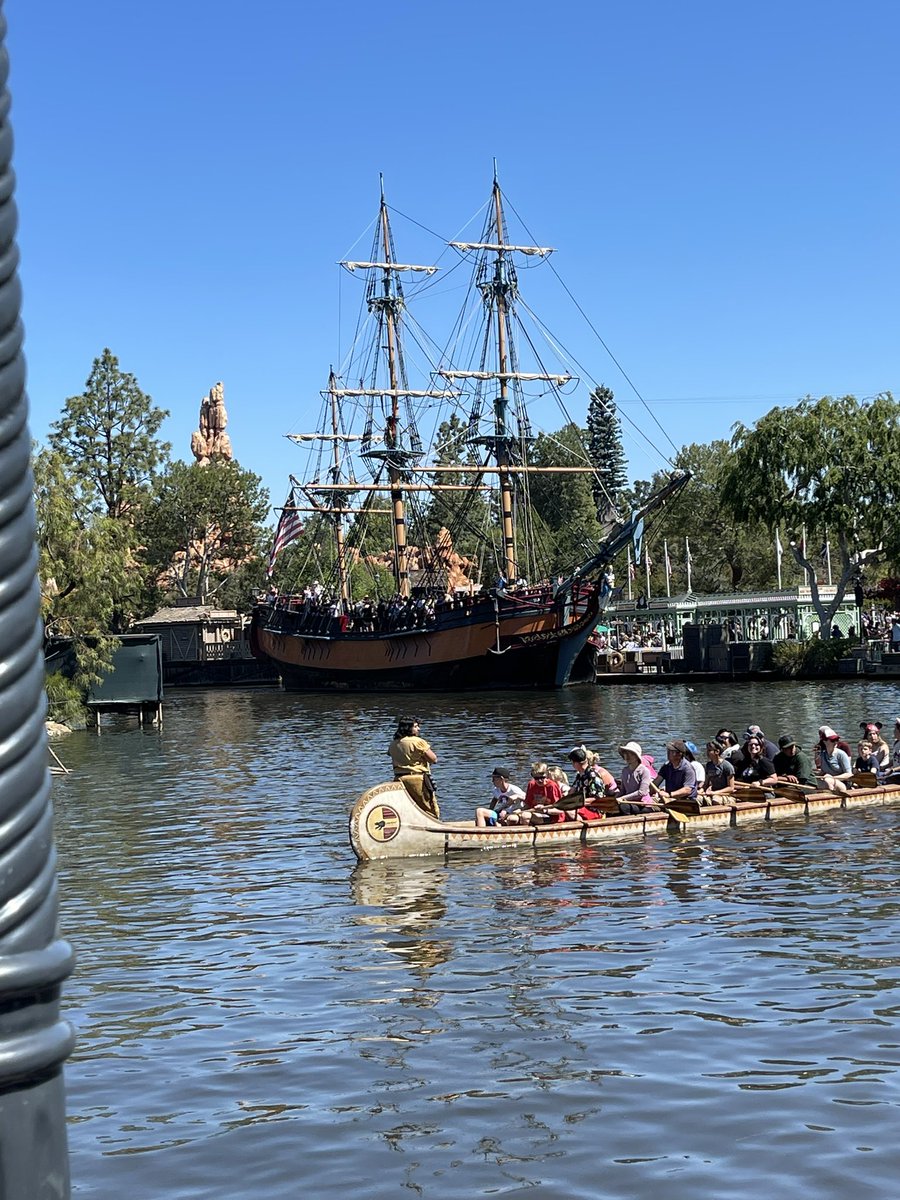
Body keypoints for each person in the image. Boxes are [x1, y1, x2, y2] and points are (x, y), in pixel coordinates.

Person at [387, 716, 439, 818]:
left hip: (399, 780)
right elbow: (433, 759)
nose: (418, 729)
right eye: (415, 726)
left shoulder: (393, 744)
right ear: (408, 728)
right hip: (417, 779)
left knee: (407, 808)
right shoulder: (417, 741)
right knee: (429, 808)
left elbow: (390, 754)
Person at [562, 747, 618, 821]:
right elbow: (572, 791)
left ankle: (580, 828)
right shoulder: (579, 776)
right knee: (562, 809)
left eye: (572, 762)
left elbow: (599, 798)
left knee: (569, 810)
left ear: (576, 763)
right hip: (581, 808)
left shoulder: (593, 776)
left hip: (594, 810)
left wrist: (580, 802)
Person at [615, 741, 663, 814]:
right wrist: (616, 798)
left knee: (624, 807)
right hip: (629, 802)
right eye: (626, 753)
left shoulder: (644, 771)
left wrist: (623, 798)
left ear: (636, 756)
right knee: (620, 806)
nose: (627, 756)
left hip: (643, 804)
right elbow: (623, 790)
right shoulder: (625, 771)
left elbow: (642, 792)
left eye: (630, 754)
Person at [650, 739, 698, 803]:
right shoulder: (666, 766)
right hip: (669, 799)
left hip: (686, 801)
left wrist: (669, 795)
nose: (667, 753)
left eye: (670, 751)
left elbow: (687, 790)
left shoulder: (688, 768)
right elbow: (656, 782)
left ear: (678, 754)